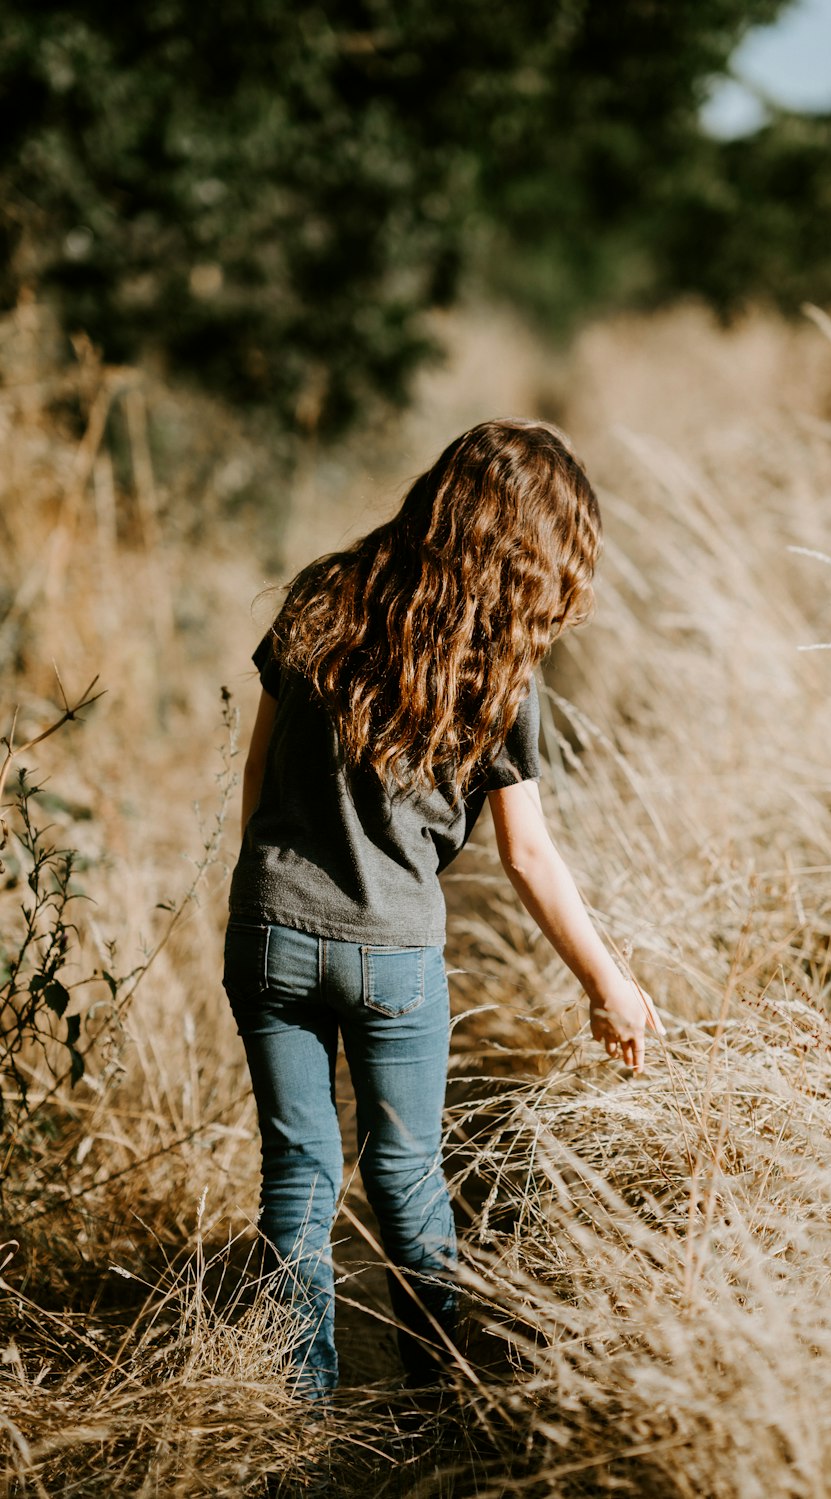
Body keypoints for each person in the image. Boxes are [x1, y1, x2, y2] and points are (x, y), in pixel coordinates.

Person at [223, 417, 662, 1401]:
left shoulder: (321, 596)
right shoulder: (499, 663)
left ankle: (298, 1416)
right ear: (530, 550)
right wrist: (609, 980)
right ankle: (438, 1402)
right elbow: (528, 852)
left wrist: (259, 906)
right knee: (409, 1181)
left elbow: (257, 777)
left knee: (296, 1179)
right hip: (393, 954)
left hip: (267, 927)